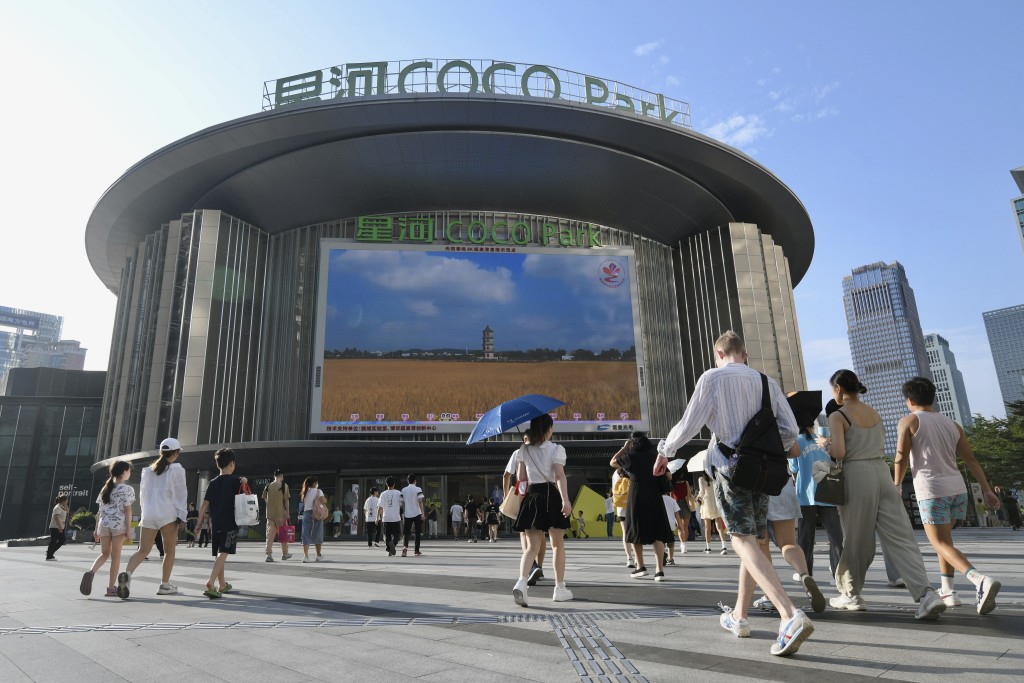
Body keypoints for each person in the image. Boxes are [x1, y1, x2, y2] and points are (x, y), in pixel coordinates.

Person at [656, 330, 813, 657]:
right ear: (743, 353)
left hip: (731, 469)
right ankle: (739, 616)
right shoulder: (766, 382)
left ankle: (789, 614)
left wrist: (665, 451)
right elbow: (789, 431)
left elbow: (689, 423)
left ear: (718, 354)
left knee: (741, 540)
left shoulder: (712, 378)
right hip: (763, 473)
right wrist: (766, 452)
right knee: (753, 541)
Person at [824, 369, 945, 619]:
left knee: (857, 538)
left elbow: (839, 452)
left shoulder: (838, 416)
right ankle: (926, 594)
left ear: (838, 388)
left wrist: (824, 444)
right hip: (882, 471)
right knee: (901, 536)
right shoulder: (874, 413)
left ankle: (851, 593)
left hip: (857, 473)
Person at [896, 376, 1002, 614]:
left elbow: (901, 457)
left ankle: (979, 580)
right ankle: (948, 591)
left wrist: (896, 485)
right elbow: (971, 460)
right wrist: (986, 489)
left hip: (932, 490)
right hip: (957, 490)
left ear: (909, 400)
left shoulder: (909, 421)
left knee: (940, 543)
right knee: (945, 543)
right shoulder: (953, 425)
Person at [511, 414, 573, 606]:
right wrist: (566, 500)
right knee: (557, 545)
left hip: (531, 496)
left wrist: (521, 501)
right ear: (548, 429)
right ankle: (559, 589)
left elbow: (521, 479)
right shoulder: (556, 449)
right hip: (551, 495)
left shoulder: (524, 449)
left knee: (531, 547)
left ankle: (521, 583)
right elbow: (560, 476)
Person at [118, 437, 188, 599]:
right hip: (168, 514)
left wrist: (145, 513)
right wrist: (182, 515)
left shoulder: (148, 471)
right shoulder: (177, 470)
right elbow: (180, 495)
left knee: (143, 550)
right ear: (176, 453)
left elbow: (143, 495)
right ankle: (165, 585)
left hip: (149, 514)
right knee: (169, 551)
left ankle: (127, 574)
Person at [752, 476, 826, 613]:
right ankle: (805, 575)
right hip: (782, 483)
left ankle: (770, 596)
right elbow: (795, 453)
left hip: (757, 485)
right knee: (788, 543)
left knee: (761, 545)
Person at [611, 432, 674, 581]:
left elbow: (613, 462)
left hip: (637, 494)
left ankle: (641, 567)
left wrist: (625, 447)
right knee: (658, 531)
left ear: (632, 443)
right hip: (654, 495)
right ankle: (659, 570)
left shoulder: (631, 456)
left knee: (635, 529)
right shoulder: (654, 456)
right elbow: (669, 476)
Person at [791, 418, 844, 579]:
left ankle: (805, 573)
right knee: (835, 536)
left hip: (806, 495)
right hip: (827, 492)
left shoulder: (796, 442)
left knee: (805, 538)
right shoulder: (824, 440)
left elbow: (793, 467)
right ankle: (838, 572)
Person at [189, 448, 244, 598]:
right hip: (230, 524)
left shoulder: (212, 482)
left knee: (219, 554)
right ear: (232, 463)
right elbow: (245, 498)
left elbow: (204, 505)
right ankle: (211, 581)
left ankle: (222, 584)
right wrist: (244, 482)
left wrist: (199, 524)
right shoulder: (236, 481)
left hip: (216, 524)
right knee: (223, 553)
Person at [81, 461, 134, 596]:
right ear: (123, 472)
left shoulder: (105, 488)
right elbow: (128, 510)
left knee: (104, 554)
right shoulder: (127, 489)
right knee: (115, 557)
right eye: (129, 471)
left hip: (103, 525)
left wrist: (96, 531)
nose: (129, 473)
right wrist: (128, 530)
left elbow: (99, 511)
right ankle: (111, 588)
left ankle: (91, 572)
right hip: (118, 525)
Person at [504, 446, 547, 585]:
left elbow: (506, 475)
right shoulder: (543, 450)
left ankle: (532, 566)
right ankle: (539, 567)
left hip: (522, 492)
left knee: (523, 532)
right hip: (541, 492)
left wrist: (506, 495)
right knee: (540, 533)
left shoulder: (517, 452)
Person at [262, 469, 292, 562]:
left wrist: (271, 506)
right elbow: (286, 500)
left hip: (270, 515)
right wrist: (287, 512)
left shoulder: (268, 486)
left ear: (274, 476)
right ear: (281, 476)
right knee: (283, 535)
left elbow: (265, 498)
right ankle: (285, 554)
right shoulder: (284, 485)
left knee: (269, 536)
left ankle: (269, 555)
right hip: (281, 514)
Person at [695, 473, 728, 554]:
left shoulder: (701, 479)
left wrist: (698, 497)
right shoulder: (715, 477)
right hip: (716, 502)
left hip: (706, 503)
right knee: (719, 526)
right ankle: (724, 547)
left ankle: (708, 547)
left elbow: (702, 491)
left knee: (707, 527)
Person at [611, 468, 635, 567]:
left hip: (621, 507)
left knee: (625, 533)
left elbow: (614, 489)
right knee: (634, 532)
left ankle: (629, 558)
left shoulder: (616, 473)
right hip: (633, 506)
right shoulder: (634, 471)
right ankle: (638, 558)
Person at [300, 476, 326, 562]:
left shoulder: (305, 491)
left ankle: (305, 556)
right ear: (314, 483)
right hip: (316, 513)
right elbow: (324, 501)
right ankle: (318, 555)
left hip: (307, 514)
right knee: (317, 534)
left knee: (306, 535)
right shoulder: (319, 491)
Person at [670, 470, 695, 554]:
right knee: (685, 526)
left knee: (680, 527)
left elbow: (671, 496)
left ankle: (683, 544)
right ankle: (685, 544)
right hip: (685, 504)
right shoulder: (686, 483)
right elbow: (689, 494)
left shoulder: (672, 484)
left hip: (676, 504)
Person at [400, 474, 425, 557]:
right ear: (415, 480)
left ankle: (405, 547)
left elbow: (401, 502)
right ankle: (416, 550)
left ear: (407, 481)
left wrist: (402, 513)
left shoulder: (403, 490)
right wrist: (423, 514)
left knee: (406, 532)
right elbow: (420, 501)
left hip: (407, 514)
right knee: (417, 532)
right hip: (417, 513)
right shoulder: (418, 489)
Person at [377, 477, 402, 556]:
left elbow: (380, 507)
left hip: (386, 518)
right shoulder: (398, 493)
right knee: (397, 535)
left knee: (387, 535)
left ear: (386, 484)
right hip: (395, 518)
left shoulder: (383, 494)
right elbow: (402, 504)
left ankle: (389, 550)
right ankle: (393, 545)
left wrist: (377, 517)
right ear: (394, 484)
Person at [45, 494, 70, 561]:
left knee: (62, 540)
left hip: (60, 526)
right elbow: (56, 518)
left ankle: (50, 552)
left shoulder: (62, 507)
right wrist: (60, 527)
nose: (67, 501)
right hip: (55, 527)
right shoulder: (58, 507)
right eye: (67, 500)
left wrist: (65, 504)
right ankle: (49, 556)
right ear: (64, 500)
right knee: (53, 541)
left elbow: (67, 511)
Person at [662, 493, 682, 565]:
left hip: (660, 525)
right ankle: (670, 558)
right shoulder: (672, 500)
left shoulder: (656, 499)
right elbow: (677, 514)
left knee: (661, 542)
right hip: (670, 525)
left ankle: (662, 555)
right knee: (670, 543)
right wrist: (679, 525)